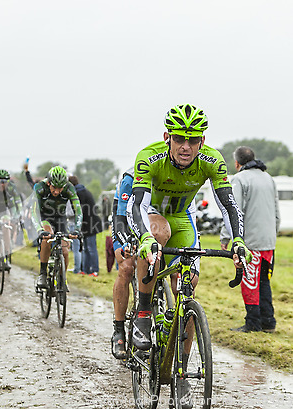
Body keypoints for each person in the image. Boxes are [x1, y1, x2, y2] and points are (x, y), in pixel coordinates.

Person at [123, 104, 251, 406]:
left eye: (193, 141)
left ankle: (180, 375)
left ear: (202, 142)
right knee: (155, 239)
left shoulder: (211, 160)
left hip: (182, 218)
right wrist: (143, 237)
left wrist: (238, 242)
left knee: (189, 287)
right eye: (180, 139)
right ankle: (143, 312)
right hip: (152, 214)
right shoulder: (149, 156)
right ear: (167, 137)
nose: (185, 147)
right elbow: (136, 204)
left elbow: (229, 205)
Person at [110, 167, 170, 359]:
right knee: (127, 267)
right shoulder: (130, 178)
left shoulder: (172, 174)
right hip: (125, 220)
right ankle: (119, 329)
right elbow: (120, 219)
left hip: (155, 218)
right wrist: (127, 242)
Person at [220, 146, 280, 333]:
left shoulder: (239, 179)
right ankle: (268, 321)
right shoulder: (268, 178)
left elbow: (233, 210)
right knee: (264, 281)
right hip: (268, 242)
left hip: (250, 243)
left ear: (237, 163)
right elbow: (277, 213)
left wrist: (225, 236)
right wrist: (272, 234)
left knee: (249, 282)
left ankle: (253, 322)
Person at [31, 166, 83, 288]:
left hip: (60, 218)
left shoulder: (69, 188)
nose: (56, 192)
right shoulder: (39, 187)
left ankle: (62, 279)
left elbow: (78, 210)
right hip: (45, 217)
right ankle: (43, 274)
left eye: (60, 188)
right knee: (47, 237)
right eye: (54, 187)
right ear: (49, 183)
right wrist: (39, 230)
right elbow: (33, 211)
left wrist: (77, 229)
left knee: (65, 251)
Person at [69, 175, 103, 276]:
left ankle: (94, 270)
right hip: (87, 225)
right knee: (86, 248)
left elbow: (80, 211)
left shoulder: (80, 193)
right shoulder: (81, 190)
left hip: (91, 224)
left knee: (91, 248)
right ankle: (86, 269)